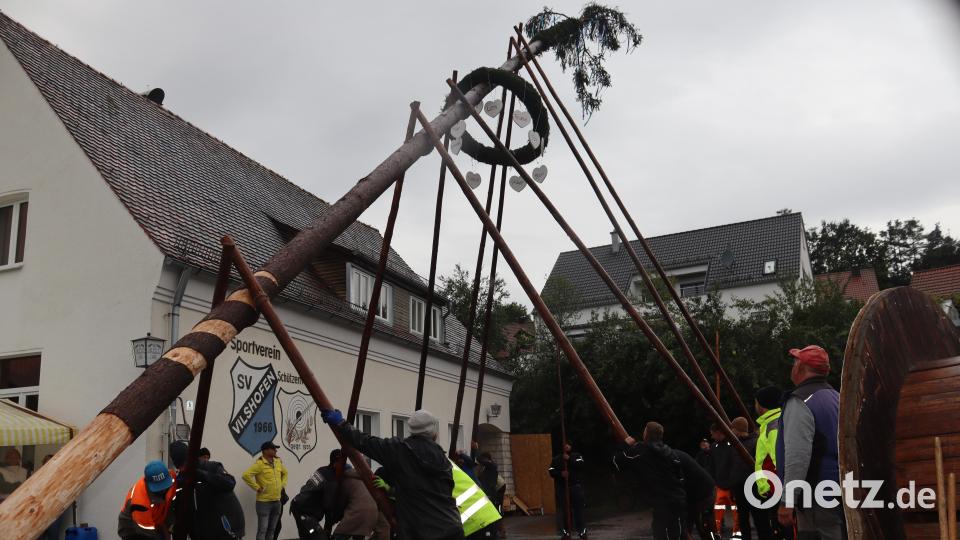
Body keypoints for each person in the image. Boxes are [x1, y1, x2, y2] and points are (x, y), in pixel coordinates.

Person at [322, 408, 494, 540]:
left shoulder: (399, 450)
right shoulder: (442, 458)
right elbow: (427, 493)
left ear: (411, 429)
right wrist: (390, 490)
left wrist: (341, 423)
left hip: (421, 533)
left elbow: (364, 441)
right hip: (451, 529)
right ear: (434, 433)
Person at [776, 345, 844, 540]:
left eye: (795, 361)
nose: (792, 367)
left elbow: (797, 456)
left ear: (801, 367)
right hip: (837, 492)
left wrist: (787, 500)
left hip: (815, 496)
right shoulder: (836, 397)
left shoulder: (800, 401)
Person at [614, 422, 688, 540]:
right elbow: (680, 476)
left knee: (660, 531)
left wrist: (624, 445)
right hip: (677, 499)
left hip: (661, 501)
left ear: (646, 434)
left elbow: (617, 462)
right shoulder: (669, 451)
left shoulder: (641, 450)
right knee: (675, 530)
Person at [169, 441, 245, 539]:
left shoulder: (212, 467)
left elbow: (230, 483)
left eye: (186, 463)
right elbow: (180, 512)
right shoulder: (180, 482)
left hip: (226, 532)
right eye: (181, 466)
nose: (185, 468)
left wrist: (203, 475)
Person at [754, 386, 793, 540]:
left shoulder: (773, 427)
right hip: (774, 489)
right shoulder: (771, 424)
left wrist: (784, 497)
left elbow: (781, 462)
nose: (754, 406)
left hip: (777, 491)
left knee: (782, 532)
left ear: (762, 405)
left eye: (756, 402)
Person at [727, 417, 773, 540]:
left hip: (754, 486)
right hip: (739, 486)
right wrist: (732, 486)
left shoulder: (755, 442)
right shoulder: (734, 444)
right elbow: (733, 466)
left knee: (760, 518)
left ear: (738, 429)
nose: (731, 431)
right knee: (743, 518)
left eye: (733, 428)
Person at [118, 460, 178, 540]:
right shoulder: (139, 503)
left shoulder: (171, 477)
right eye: (159, 488)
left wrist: (170, 526)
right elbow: (149, 535)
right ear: (148, 483)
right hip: (134, 530)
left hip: (156, 519)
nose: (163, 490)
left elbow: (170, 504)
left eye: (164, 485)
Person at [243, 441, 289, 540]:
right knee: (263, 529)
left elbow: (285, 473)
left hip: (277, 501)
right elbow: (246, 475)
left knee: (272, 529)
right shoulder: (259, 464)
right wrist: (257, 488)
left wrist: (282, 485)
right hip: (264, 503)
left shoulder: (277, 462)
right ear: (266, 451)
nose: (276, 450)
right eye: (273, 449)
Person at [674, 445, 716, 540]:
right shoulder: (672, 455)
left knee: (705, 528)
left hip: (703, 493)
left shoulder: (672, 459)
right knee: (684, 529)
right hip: (692, 495)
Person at [549, 442, 586, 539]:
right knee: (565, 511)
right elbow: (551, 471)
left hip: (575, 487)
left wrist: (569, 459)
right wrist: (560, 474)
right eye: (564, 445)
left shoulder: (577, 456)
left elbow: (581, 465)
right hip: (563, 489)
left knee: (579, 510)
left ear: (571, 446)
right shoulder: (556, 459)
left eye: (568, 444)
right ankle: (566, 533)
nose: (566, 446)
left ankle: (582, 531)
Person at [710, 423, 740, 538]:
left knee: (736, 511)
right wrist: (714, 482)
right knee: (717, 511)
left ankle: (737, 535)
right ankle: (716, 533)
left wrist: (734, 482)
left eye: (713, 434)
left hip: (732, 485)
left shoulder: (732, 444)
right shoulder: (713, 447)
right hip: (719, 485)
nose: (712, 437)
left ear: (718, 432)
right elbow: (712, 465)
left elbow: (735, 465)